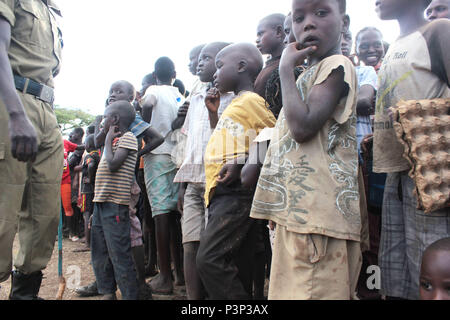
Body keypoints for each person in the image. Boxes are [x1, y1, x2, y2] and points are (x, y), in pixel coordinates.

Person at [250, 0, 362, 300]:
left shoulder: (337, 66)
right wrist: (278, 202)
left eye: (321, 13)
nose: (308, 24)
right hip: (300, 215)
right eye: (299, 18)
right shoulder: (306, 75)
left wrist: (286, 68)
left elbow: (302, 128)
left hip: (318, 220)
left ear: (345, 22)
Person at [374, 0, 450, 300]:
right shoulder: (395, 45)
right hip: (398, 173)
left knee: (433, 264)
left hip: (431, 178)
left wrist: (414, 116)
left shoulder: (438, 31)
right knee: (399, 270)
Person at [196, 43, 276, 300]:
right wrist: (214, 116)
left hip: (236, 191)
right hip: (221, 191)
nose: (215, 73)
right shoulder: (237, 103)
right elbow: (238, 138)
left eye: (219, 66)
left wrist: (243, 160)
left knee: (210, 259)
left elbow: (273, 135)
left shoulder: (252, 101)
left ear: (241, 67)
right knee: (235, 260)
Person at [0, 0, 64, 300]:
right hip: (10, 102)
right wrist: (14, 114)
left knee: (44, 214)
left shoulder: (51, 9)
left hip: (45, 108)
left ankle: (24, 294)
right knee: (3, 207)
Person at [76, 80, 163, 299]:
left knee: (124, 241)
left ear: (132, 97)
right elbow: (91, 144)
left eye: (119, 91)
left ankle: (136, 287)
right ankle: (106, 287)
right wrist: (102, 128)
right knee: (102, 244)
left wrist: (137, 155)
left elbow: (154, 139)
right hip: (103, 194)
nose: (113, 94)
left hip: (120, 193)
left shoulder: (132, 127)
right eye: (111, 91)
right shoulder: (107, 122)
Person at [174, 42, 234, 300]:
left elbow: (228, 139)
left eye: (207, 59)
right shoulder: (196, 98)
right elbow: (188, 146)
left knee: (212, 249)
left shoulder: (233, 99)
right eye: (199, 58)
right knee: (190, 242)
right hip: (193, 183)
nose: (200, 63)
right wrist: (182, 186)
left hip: (217, 184)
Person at [141, 57, 185, 294]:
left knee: (160, 214)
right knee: (174, 214)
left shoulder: (153, 89)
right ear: (174, 73)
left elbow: (147, 103)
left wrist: (143, 129)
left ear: (154, 75)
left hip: (157, 154)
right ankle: (179, 274)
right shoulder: (180, 95)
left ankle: (164, 277)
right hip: (176, 155)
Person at [90, 101, 140, 300]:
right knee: (100, 251)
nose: (103, 121)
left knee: (119, 254)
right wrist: (107, 139)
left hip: (116, 205)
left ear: (115, 120)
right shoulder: (111, 142)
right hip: (101, 202)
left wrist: (109, 138)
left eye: (105, 117)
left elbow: (112, 165)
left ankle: (130, 295)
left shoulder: (128, 138)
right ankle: (107, 291)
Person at [254, 14, 286, 103]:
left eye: (260, 34)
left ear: (278, 32)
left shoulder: (285, 65)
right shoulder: (268, 66)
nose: (257, 40)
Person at [79, 134, 100, 251]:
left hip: (87, 190)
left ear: (88, 145)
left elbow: (90, 165)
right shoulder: (98, 155)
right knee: (92, 215)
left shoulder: (90, 156)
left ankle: (88, 243)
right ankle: (91, 241)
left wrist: (89, 179)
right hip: (95, 190)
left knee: (86, 215)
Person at [61, 137, 84, 241]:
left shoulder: (65, 143)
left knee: (68, 207)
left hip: (65, 180)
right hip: (50, 179)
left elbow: (78, 147)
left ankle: (72, 233)